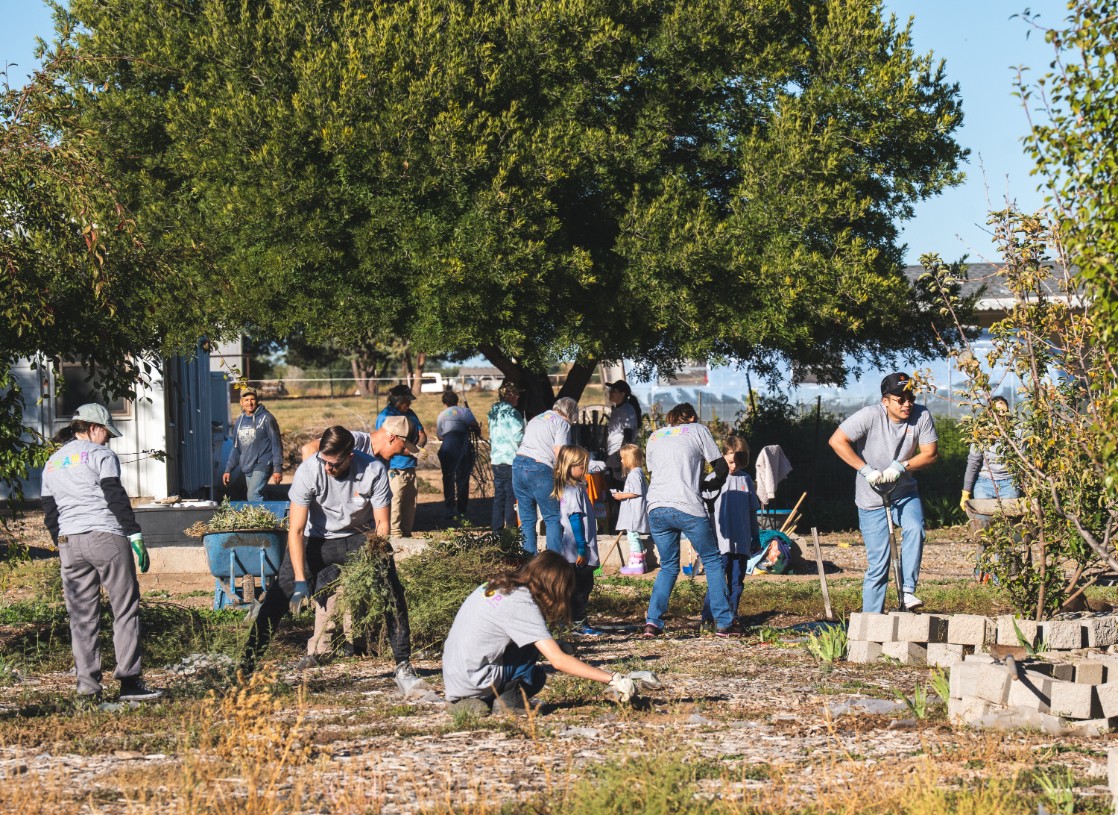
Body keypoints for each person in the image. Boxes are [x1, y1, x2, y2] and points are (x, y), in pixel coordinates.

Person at [243, 426, 421, 691]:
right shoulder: (309, 470)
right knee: (277, 596)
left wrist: (372, 560)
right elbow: (296, 530)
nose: (328, 468)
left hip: (361, 538)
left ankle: (403, 665)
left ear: (350, 455)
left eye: (334, 464)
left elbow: (382, 526)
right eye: (324, 461)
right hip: (316, 540)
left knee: (392, 592)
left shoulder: (373, 470)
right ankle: (245, 667)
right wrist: (301, 580)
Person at [40, 404, 162, 703]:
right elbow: (115, 496)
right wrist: (134, 534)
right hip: (106, 536)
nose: (108, 439)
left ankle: (87, 688)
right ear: (94, 428)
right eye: (107, 432)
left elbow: (50, 511)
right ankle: (130, 682)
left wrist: (62, 542)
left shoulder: (52, 463)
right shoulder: (101, 455)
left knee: (81, 617)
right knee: (124, 608)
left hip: (69, 541)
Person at [442, 551, 639, 715]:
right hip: (477, 679)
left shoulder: (498, 585)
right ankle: (510, 701)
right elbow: (558, 661)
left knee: (534, 643)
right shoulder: (522, 602)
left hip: (456, 676)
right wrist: (613, 678)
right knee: (535, 674)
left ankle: (480, 699)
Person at [296, 418, 419, 660]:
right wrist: (317, 492)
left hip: (359, 533)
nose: (401, 454)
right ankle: (321, 649)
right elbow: (309, 450)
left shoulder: (378, 465)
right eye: (402, 448)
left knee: (358, 585)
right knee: (329, 589)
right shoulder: (355, 442)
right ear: (392, 437)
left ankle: (354, 644)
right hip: (326, 532)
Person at [828, 372, 939, 613]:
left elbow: (930, 453)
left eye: (910, 397)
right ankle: (871, 624)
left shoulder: (921, 415)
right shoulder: (870, 416)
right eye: (900, 399)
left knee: (915, 528)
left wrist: (902, 466)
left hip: (904, 492)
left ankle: (908, 591)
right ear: (885, 400)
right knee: (879, 565)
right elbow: (837, 440)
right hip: (871, 499)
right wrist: (865, 469)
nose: (907, 403)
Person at [641, 403, 738, 638]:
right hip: (687, 505)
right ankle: (724, 623)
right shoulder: (697, 429)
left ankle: (652, 623)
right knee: (713, 561)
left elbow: (656, 471)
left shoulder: (655, 436)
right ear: (692, 417)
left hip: (656, 506)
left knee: (668, 566)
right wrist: (710, 484)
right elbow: (722, 466)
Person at [700, 444, 761, 627]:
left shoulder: (746, 480)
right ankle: (708, 618)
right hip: (720, 542)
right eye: (730, 462)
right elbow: (704, 512)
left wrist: (755, 537)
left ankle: (731, 616)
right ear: (722, 458)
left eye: (739, 463)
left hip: (741, 542)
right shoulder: (712, 479)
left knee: (736, 582)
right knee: (717, 582)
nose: (734, 467)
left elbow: (752, 512)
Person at [960, 396, 1019, 582]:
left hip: (1009, 483)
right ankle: (982, 574)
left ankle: (1004, 577)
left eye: (1003, 410)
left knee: (1007, 532)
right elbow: (973, 463)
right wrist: (966, 491)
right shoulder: (981, 434)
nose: (1000, 414)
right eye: (996, 411)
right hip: (984, 484)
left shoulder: (1016, 432)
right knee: (983, 532)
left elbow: (1024, 462)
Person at [512, 396, 578, 554]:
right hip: (540, 468)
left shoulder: (537, 418)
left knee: (527, 519)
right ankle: (552, 562)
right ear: (570, 414)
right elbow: (560, 453)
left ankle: (528, 560)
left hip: (518, 465)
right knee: (552, 517)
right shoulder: (561, 423)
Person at [552, 445, 602, 636]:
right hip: (578, 549)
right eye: (581, 465)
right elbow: (574, 519)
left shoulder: (571, 488)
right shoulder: (573, 490)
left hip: (573, 549)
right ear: (569, 466)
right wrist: (581, 547)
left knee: (575, 587)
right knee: (582, 587)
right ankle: (578, 622)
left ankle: (569, 621)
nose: (585, 469)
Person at [375, 384, 428, 537]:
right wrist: (413, 452)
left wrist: (419, 447)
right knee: (395, 501)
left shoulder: (410, 413)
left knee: (410, 503)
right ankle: (395, 534)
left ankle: (406, 532)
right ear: (398, 400)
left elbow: (421, 433)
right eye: (407, 401)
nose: (409, 404)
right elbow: (390, 442)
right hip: (394, 467)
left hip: (410, 466)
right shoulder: (386, 416)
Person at [223, 389, 283, 501]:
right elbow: (236, 448)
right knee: (254, 497)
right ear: (241, 402)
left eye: (252, 399)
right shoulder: (239, 421)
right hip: (248, 465)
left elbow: (276, 444)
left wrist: (277, 468)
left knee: (253, 495)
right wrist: (228, 469)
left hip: (263, 463)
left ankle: (259, 518)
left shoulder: (266, 418)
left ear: (257, 400)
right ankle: (268, 517)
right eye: (246, 400)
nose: (249, 403)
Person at [435, 391, 481, 522]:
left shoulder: (441, 415)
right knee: (463, 479)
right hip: (463, 447)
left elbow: (439, 436)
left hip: (447, 448)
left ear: (444, 403)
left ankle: (449, 509)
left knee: (448, 478)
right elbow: (475, 427)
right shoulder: (465, 412)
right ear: (457, 401)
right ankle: (461, 511)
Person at [488, 382, 526, 532]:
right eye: (515, 393)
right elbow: (518, 436)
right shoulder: (512, 413)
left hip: (497, 458)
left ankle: (496, 529)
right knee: (511, 495)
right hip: (510, 458)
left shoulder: (493, 411)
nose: (518, 396)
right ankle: (511, 528)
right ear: (509, 395)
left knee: (499, 496)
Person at [612, 443, 649, 575]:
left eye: (623, 458)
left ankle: (636, 564)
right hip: (634, 511)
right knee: (635, 536)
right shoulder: (638, 473)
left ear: (629, 459)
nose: (621, 461)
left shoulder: (634, 474)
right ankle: (641, 562)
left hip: (634, 513)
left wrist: (621, 495)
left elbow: (636, 492)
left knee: (633, 537)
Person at [604, 381, 642, 482]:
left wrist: (620, 458)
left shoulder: (627, 409)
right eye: (610, 390)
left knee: (619, 485)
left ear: (622, 394)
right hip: (613, 452)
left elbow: (627, 436)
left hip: (618, 454)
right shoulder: (617, 409)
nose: (610, 392)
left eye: (614, 391)